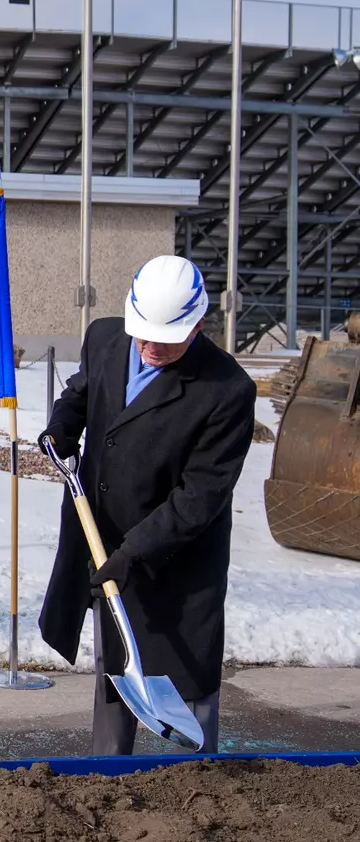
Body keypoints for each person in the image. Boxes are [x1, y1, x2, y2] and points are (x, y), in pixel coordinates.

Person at [38, 255, 256, 755]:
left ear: (198, 325)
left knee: (187, 676)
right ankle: (108, 774)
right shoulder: (106, 337)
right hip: (101, 534)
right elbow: (80, 393)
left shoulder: (226, 390)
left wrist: (134, 553)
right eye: (144, 333)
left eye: (168, 336)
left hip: (177, 558)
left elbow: (199, 497)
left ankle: (197, 780)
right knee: (115, 665)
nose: (152, 345)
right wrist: (61, 427)